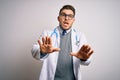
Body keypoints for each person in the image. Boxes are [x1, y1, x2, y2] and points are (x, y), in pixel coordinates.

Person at [31, 5, 94, 80]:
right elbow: (34, 51)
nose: (66, 18)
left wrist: (84, 59)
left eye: (70, 16)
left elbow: (88, 60)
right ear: (58, 18)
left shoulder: (80, 36)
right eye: (63, 15)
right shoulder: (47, 34)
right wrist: (42, 52)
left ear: (73, 20)